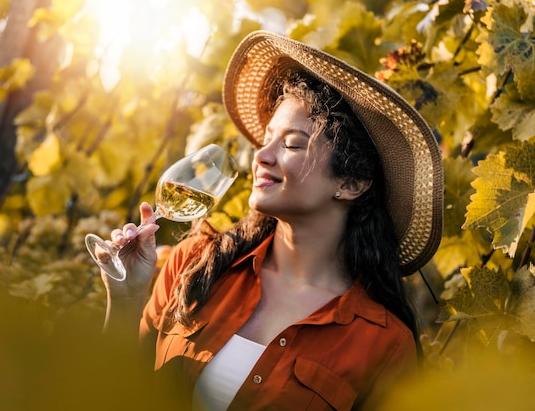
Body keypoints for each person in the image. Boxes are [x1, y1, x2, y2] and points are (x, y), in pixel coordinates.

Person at [97, 31, 443, 411]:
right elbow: (113, 389)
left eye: (292, 144)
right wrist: (127, 297)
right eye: (266, 138)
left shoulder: (384, 343)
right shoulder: (195, 262)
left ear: (351, 183)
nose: (261, 154)